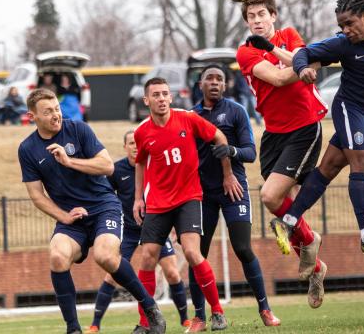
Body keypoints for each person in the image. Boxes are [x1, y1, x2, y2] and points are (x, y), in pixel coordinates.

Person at [17, 88, 166, 334]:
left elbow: (107, 166)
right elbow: (36, 195)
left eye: (56, 108)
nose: (56, 115)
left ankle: (150, 308)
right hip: (71, 217)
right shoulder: (27, 149)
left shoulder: (78, 129)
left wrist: (69, 161)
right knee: (57, 257)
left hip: (103, 207)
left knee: (105, 256)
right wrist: (63, 217)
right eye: (48, 112)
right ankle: (73, 329)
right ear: (32, 116)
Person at [281, 0, 364, 259]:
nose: (345, 30)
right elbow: (303, 53)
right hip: (350, 108)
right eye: (341, 25)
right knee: (360, 160)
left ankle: (286, 221)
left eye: (349, 23)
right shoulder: (341, 44)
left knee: (328, 169)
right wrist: (303, 70)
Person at [235, 0, 328, 309]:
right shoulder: (245, 51)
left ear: (273, 16)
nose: (257, 21)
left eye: (262, 14)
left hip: (305, 126)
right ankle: (314, 263)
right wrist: (300, 66)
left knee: (270, 196)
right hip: (274, 133)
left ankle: (309, 244)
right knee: (276, 199)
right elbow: (279, 77)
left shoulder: (289, 34)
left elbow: (308, 64)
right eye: (251, 16)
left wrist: (277, 49)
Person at [132, 77, 238, 332]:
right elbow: (140, 163)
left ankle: (218, 312)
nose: (161, 98)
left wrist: (227, 173)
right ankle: (146, 323)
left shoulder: (188, 118)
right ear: (147, 100)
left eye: (165, 94)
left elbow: (219, 137)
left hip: (189, 197)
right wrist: (138, 198)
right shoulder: (142, 132)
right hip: (157, 203)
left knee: (192, 252)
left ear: (171, 97)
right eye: (155, 94)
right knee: (147, 258)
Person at [188, 64, 280, 331]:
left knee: (242, 248)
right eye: (209, 79)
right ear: (201, 84)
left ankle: (265, 309)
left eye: (220, 79)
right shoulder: (189, 116)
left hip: (234, 189)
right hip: (202, 194)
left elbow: (251, 153)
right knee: (198, 254)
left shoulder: (236, 111)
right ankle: (199, 318)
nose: (215, 83)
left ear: (225, 85)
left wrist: (231, 151)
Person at [88, 130, 190, 333]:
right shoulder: (116, 170)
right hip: (128, 230)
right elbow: (105, 195)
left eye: (138, 142)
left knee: (171, 271)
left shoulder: (155, 164)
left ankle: (185, 320)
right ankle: (95, 324)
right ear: (125, 146)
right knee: (112, 275)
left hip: (155, 228)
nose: (135, 146)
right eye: (131, 143)